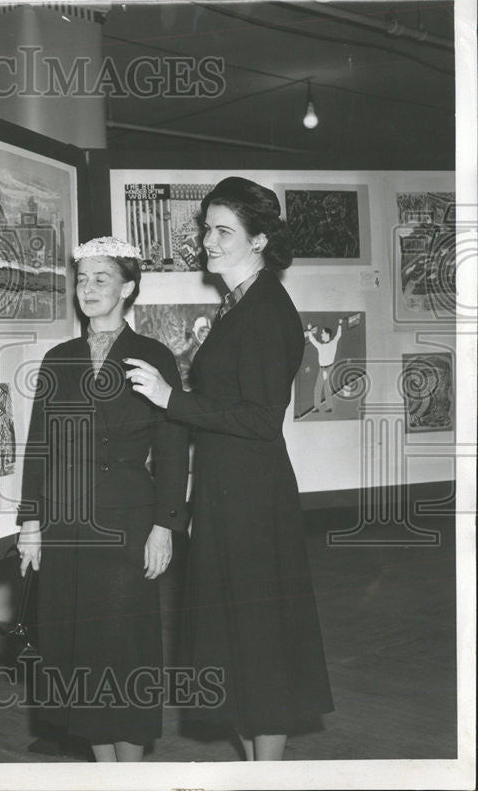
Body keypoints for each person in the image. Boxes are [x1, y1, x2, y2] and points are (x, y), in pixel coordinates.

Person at [124, 177, 334, 760]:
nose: (207, 242)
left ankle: (264, 773)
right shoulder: (242, 303)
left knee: (259, 643)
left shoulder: (266, 308)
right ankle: (256, 767)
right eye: (206, 229)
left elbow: (263, 419)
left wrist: (173, 400)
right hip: (228, 493)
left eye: (223, 231)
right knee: (238, 640)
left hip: (250, 498)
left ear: (259, 239)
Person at [16, 236, 190, 762]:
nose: (87, 290)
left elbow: (172, 448)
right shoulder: (59, 358)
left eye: (102, 279)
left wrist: (165, 526)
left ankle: (129, 775)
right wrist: (30, 523)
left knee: (124, 651)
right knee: (76, 654)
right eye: (83, 279)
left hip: (127, 523)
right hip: (67, 525)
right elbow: (39, 444)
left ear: (128, 287)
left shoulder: (154, 356)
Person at [305, 319, 344, 413]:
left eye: (322, 333)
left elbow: (338, 335)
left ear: (327, 335)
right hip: (322, 369)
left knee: (327, 388)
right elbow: (312, 340)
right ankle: (317, 407)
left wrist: (339, 324)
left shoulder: (332, 343)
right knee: (318, 388)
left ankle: (329, 407)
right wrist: (309, 331)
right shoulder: (321, 346)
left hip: (329, 368)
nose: (321, 335)